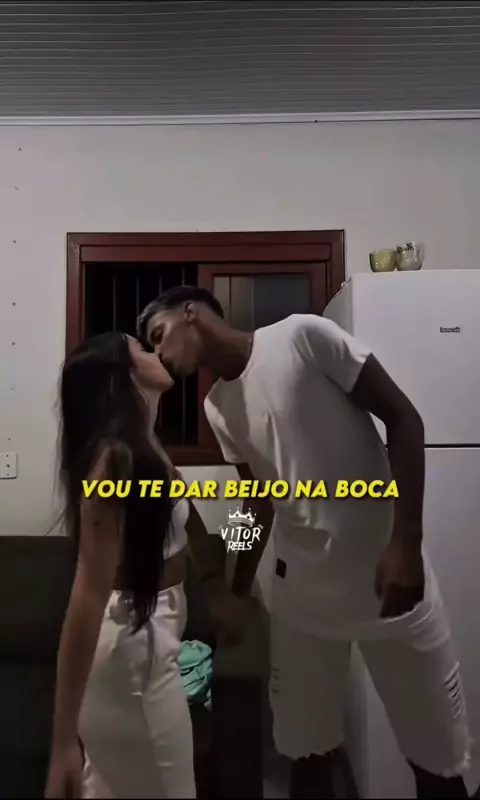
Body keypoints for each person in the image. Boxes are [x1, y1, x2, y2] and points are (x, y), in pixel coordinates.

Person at [136, 286, 470, 799]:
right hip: (302, 602)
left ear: (191, 312)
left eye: (158, 336)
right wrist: (235, 591)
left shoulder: (302, 337)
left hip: (390, 584)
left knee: (437, 762)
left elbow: (404, 419)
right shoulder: (217, 407)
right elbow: (258, 502)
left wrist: (406, 542)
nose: (158, 354)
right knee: (306, 755)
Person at [45, 332, 244, 799]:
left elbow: (190, 525)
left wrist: (220, 590)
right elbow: (88, 594)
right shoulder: (115, 460)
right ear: (124, 377)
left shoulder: (146, 447)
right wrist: (62, 741)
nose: (156, 353)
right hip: (132, 650)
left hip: (152, 634)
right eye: (140, 348)